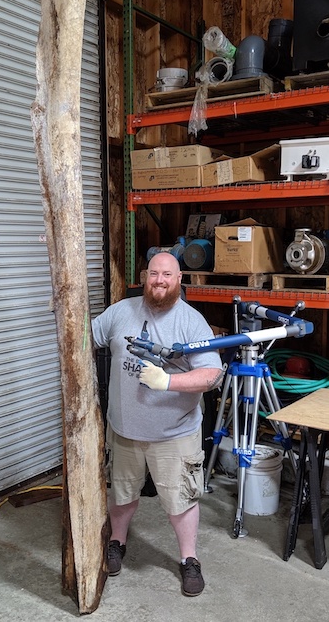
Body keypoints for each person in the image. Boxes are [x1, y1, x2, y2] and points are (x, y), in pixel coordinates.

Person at [92, 252, 223, 596]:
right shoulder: (121, 311)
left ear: (179, 279)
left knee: (180, 502)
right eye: (154, 274)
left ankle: (189, 560)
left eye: (167, 274)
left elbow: (211, 374)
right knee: (121, 495)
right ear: (145, 276)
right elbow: (86, 336)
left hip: (174, 434)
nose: (160, 280)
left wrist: (167, 382)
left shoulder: (192, 321)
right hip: (124, 431)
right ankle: (116, 542)